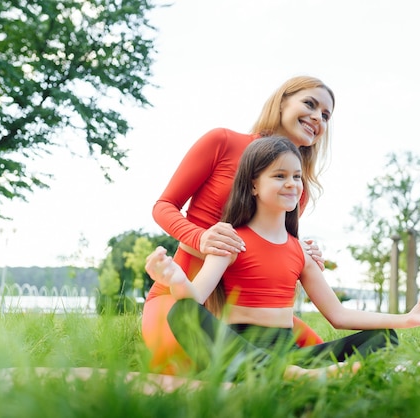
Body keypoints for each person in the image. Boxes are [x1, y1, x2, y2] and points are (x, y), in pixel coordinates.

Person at [145, 136, 420, 381]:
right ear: (253, 184)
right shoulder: (231, 239)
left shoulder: (300, 252)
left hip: (289, 356)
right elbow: (195, 298)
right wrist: (174, 279)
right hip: (239, 355)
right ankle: (306, 377)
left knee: (383, 337)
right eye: (279, 176)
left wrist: (408, 319)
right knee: (182, 312)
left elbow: (339, 315)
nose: (292, 183)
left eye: (296, 176)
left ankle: (309, 375)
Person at [143, 76, 336, 375]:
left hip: (244, 313)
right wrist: (201, 238)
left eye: (325, 115)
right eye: (310, 104)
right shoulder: (222, 141)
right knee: (188, 367)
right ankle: (287, 375)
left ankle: (291, 376)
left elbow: (269, 252)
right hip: (183, 300)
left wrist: (303, 256)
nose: (317, 118)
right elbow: (163, 206)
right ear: (282, 101)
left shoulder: (298, 190)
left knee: (329, 357)